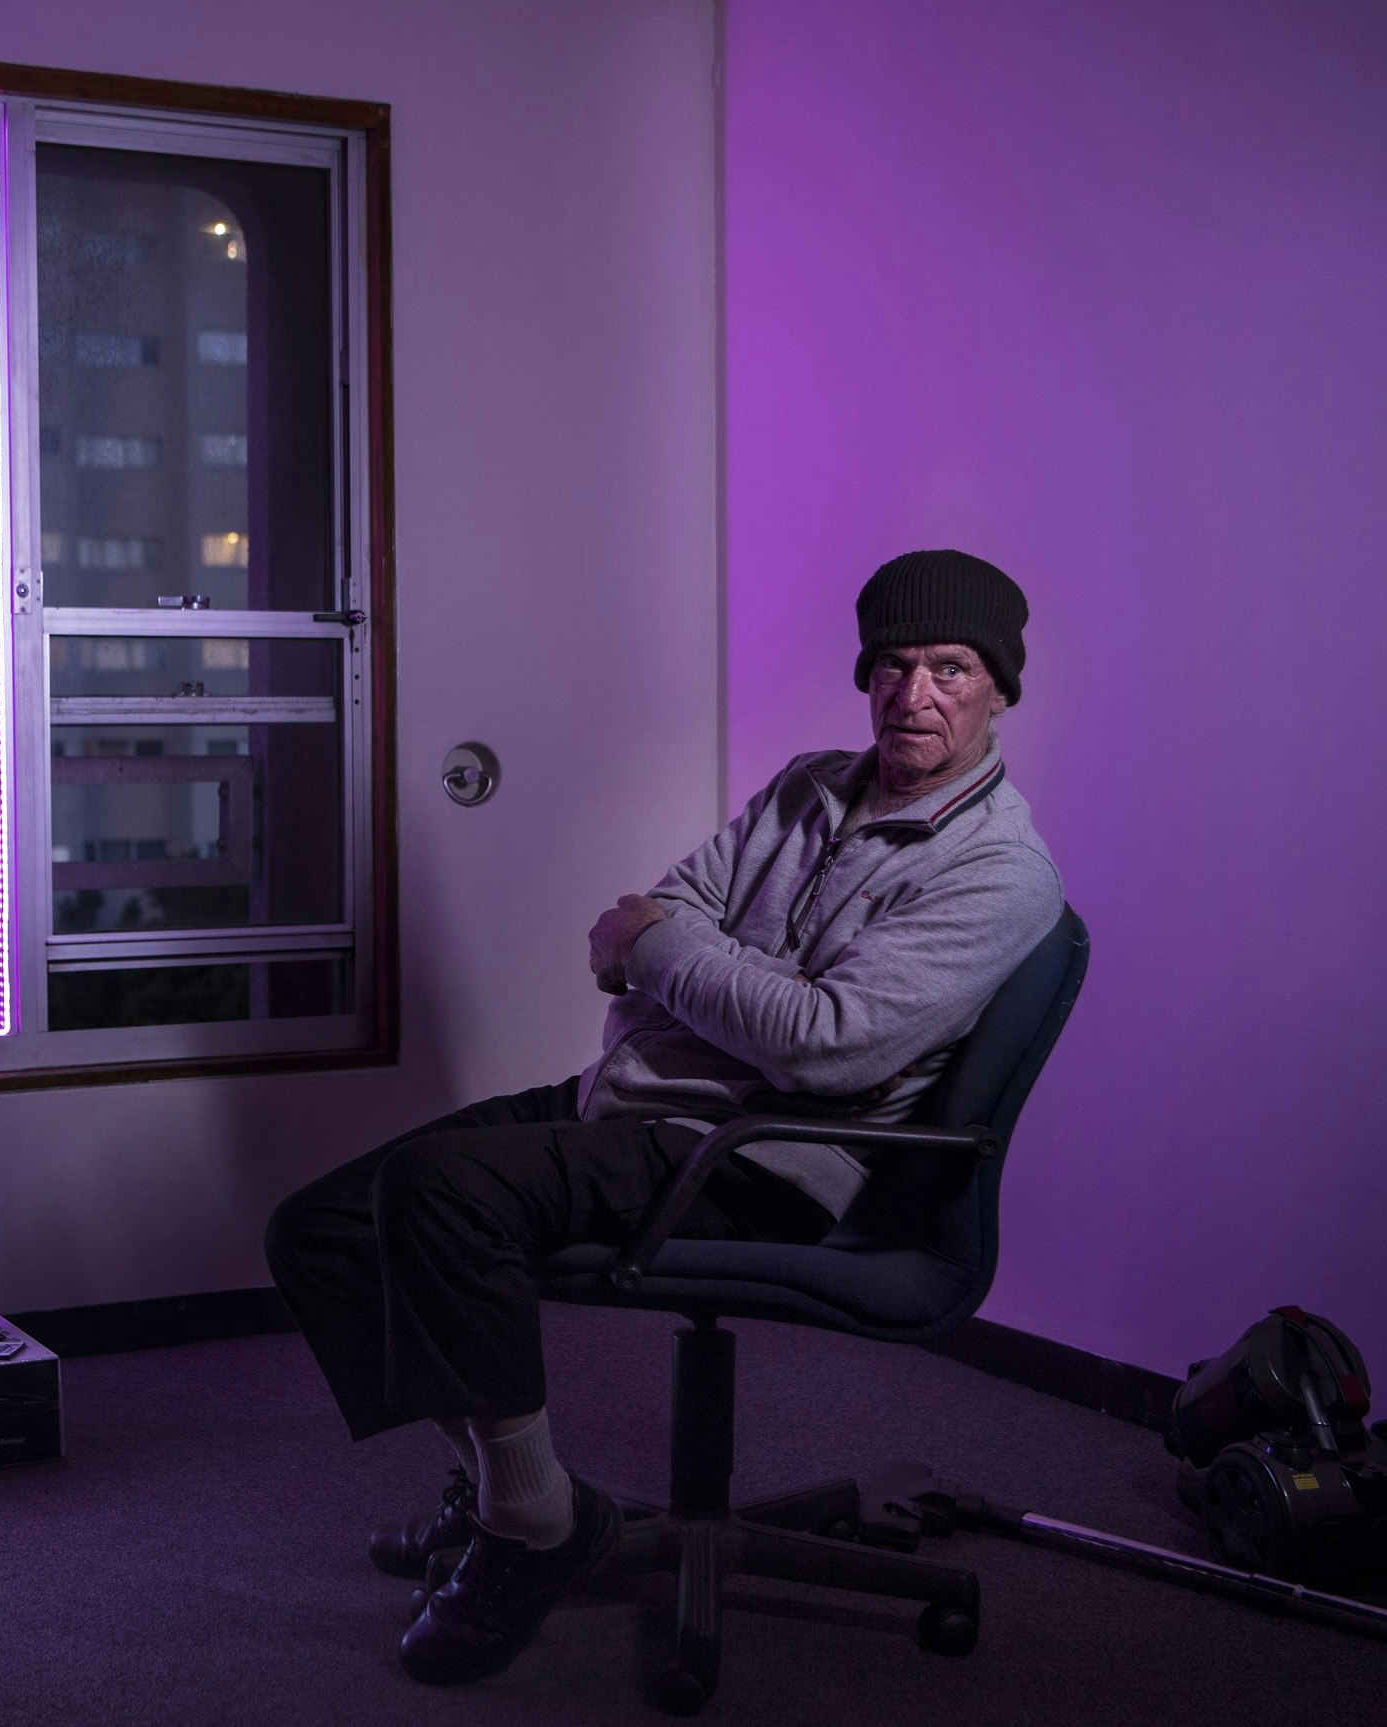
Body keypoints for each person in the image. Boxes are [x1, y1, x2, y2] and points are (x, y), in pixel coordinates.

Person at [265, 549, 1065, 1687]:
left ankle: (525, 1530)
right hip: (640, 1099)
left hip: (756, 1159)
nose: (913, 693)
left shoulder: (998, 874)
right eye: (890, 665)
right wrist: (702, 964)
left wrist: (670, 956)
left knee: (438, 1195)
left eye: (949, 667)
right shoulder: (807, 785)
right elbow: (669, 907)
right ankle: (508, 1488)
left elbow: (819, 1042)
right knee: (320, 1227)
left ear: (997, 688)